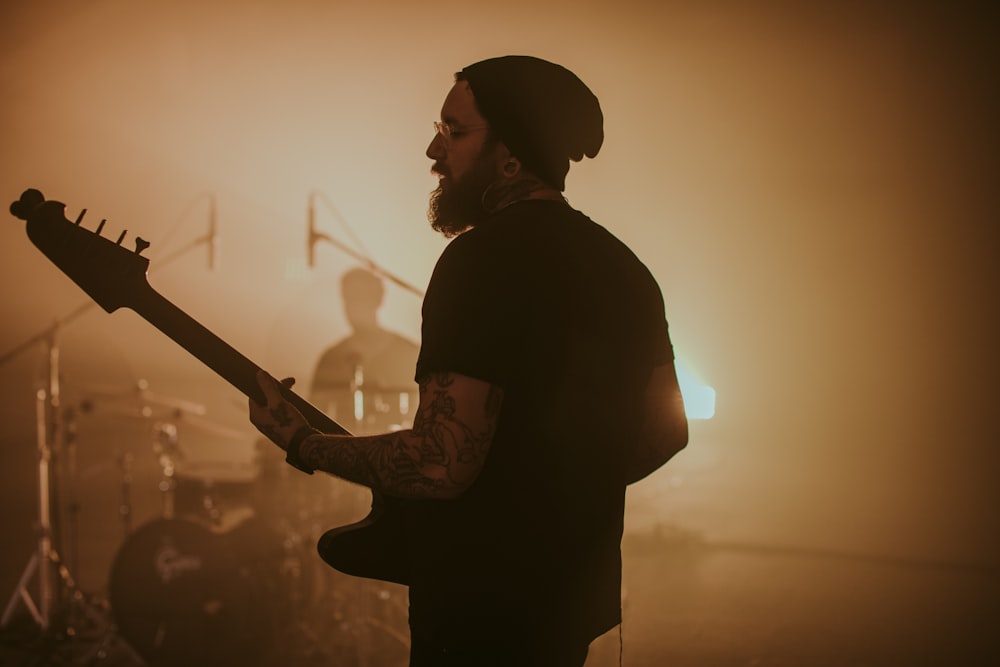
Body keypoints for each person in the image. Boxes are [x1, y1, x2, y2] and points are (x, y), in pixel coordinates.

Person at [250, 55, 689, 667]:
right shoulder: (626, 270)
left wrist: (304, 441)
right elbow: (666, 431)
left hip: (477, 615)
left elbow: (440, 463)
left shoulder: (478, 262)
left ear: (510, 153)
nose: (435, 148)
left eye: (455, 131)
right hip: (568, 608)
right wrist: (557, 500)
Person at [310, 266, 420, 434]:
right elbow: (313, 421)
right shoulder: (330, 359)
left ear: (378, 300)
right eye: (348, 298)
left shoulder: (408, 354)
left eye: (360, 297)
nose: (352, 305)